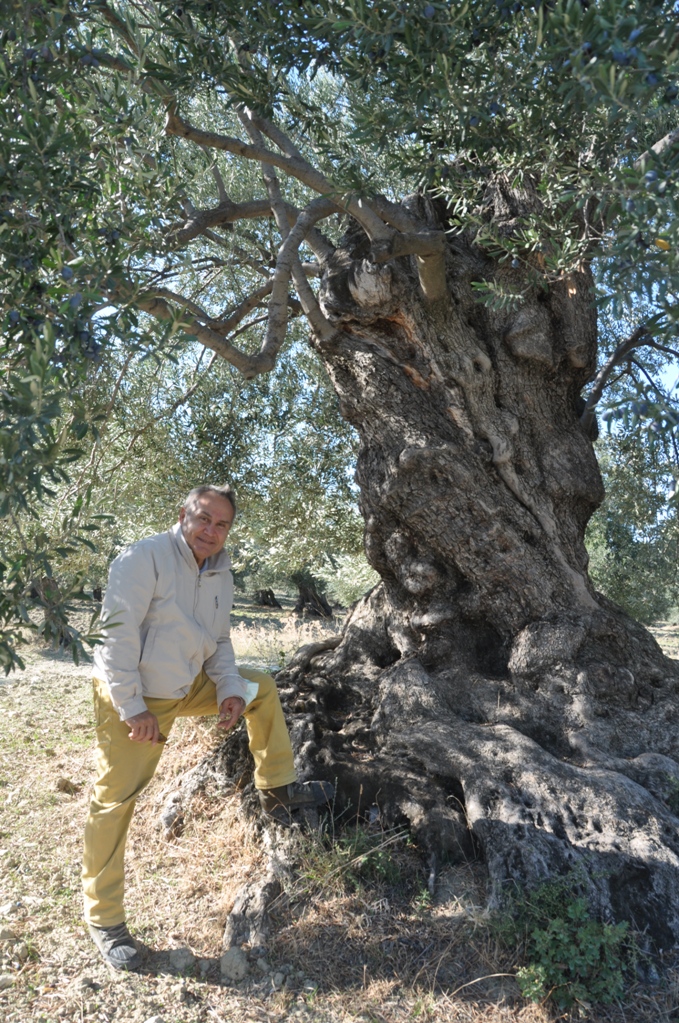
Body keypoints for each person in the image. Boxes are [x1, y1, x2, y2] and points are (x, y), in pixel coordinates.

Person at [82, 484, 333, 971]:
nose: (211, 531)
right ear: (183, 514)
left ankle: (277, 790)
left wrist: (230, 689)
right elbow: (115, 639)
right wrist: (133, 708)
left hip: (187, 685)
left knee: (262, 688)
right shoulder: (142, 558)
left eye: (222, 525)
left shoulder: (220, 571)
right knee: (115, 800)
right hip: (134, 696)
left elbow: (218, 641)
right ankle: (104, 918)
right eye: (203, 519)